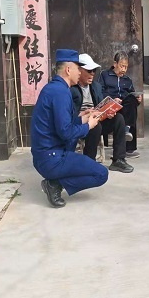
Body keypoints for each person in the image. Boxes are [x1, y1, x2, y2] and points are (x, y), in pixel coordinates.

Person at [31, 49, 108, 208]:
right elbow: (65, 132)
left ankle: (55, 181)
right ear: (68, 69)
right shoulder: (60, 92)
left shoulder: (55, 88)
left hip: (46, 156)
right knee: (101, 174)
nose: (80, 72)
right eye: (78, 68)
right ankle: (55, 184)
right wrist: (88, 126)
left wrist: (84, 117)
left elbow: (63, 123)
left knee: (91, 166)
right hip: (52, 158)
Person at [71, 53, 134, 173]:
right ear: (79, 70)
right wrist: (85, 115)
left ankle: (118, 160)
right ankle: (89, 163)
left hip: (97, 119)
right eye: (89, 71)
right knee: (95, 126)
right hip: (81, 123)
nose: (92, 74)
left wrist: (108, 112)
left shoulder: (96, 86)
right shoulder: (71, 88)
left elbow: (101, 105)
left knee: (119, 119)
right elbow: (69, 114)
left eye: (94, 71)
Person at [98, 51, 141, 158]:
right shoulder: (105, 75)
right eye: (122, 66)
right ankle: (126, 132)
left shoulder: (127, 80)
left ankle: (128, 143)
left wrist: (137, 99)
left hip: (124, 107)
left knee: (132, 100)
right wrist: (112, 100)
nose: (124, 70)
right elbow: (99, 92)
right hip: (110, 106)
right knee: (127, 112)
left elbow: (132, 94)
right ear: (115, 64)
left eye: (126, 67)